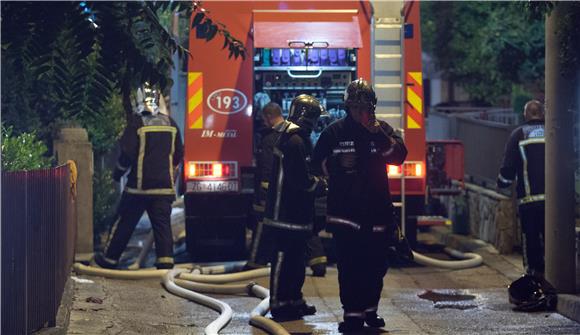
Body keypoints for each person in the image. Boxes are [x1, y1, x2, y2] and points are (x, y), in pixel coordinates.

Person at [312, 78, 407, 333]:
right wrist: (336, 164)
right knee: (350, 266)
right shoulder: (334, 133)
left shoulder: (382, 131)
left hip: (377, 212)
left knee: (376, 265)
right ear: (347, 107)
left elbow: (398, 158)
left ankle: (370, 309)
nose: (360, 113)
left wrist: (380, 136)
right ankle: (352, 315)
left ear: (373, 107)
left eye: (365, 108)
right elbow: (315, 163)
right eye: (355, 108)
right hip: (346, 215)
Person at [94, 83, 183, 270]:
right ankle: (165, 264)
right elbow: (178, 156)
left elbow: (127, 155)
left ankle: (110, 259)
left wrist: (117, 174)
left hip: (139, 188)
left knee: (124, 223)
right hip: (163, 188)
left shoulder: (137, 124)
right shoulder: (171, 125)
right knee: (162, 227)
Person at [263, 94, 326, 320]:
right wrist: (320, 184)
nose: (317, 123)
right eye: (316, 118)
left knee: (296, 261)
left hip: (295, 214)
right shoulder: (295, 141)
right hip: (285, 214)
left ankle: (294, 301)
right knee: (283, 259)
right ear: (307, 117)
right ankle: (280, 305)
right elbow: (301, 180)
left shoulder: (295, 137)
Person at [248, 102, 328, 277]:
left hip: (281, 203)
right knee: (304, 231)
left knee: (283, 244)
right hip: (294, 203)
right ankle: (318, 262)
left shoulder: (281, 138)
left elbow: (271, 170)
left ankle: (256, 263)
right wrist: (321, 185)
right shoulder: (297, 139)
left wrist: (265, 192)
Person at [497, 100, 545, 278]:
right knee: (553, 240)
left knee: (531, 240)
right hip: (554, 202)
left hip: (529, 201)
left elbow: (508, 169)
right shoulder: (555, 133)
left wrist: (501, 183)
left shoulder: (518, 135)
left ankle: (535, 278)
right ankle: (554, 276)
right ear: (542, 114)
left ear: (525, 115)